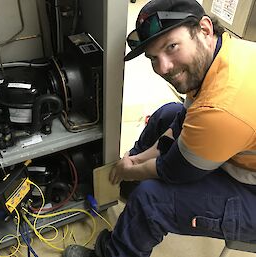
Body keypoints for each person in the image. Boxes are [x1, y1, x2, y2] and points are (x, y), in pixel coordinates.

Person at [63, 0, 256, 256]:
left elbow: (173, 171)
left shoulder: (221, 107)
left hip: (251, 192)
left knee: (152, 199)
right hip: (237, 154)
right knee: (168, 113)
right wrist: (135, 160)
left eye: (172, 47)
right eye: (154, 57)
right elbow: (181, 121)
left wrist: (132, 171)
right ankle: (128, 190)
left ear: (205, 29)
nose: (163, 67)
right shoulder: (221, 53)